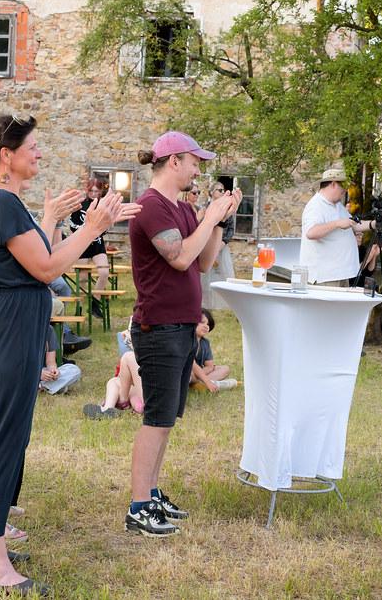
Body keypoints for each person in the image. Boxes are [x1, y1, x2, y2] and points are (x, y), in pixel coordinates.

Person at [0, 114, 137, 595]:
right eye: (32, 147)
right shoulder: (0, 202)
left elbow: (38, 255)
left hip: (13, 324)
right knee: (1, 438)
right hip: (11, 328)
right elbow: (45, 268)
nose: (39, 152)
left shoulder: (2, 199)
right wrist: (94, 227)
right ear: (7, 155)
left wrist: (55, 220)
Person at [126, 131, 240, 539]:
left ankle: (152, 493)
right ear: (173, 161)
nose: (198, 170)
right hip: (158, 327)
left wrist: (218, 222)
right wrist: (209, 217)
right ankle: (139, 506)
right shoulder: (151, 206)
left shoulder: (183, 209)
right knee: (156, 420)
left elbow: (204, 262)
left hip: (182, 327)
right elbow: (178, 257)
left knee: (167, 420)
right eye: (194, 162)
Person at [299, 167, 376, 287]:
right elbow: (311, 233)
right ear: (333, 184)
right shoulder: (316, 206)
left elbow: (353, 224)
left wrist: (373, 224)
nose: (345, 190)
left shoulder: (337, 206)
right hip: (326, 277)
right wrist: (337, 223)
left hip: (341, 274)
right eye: (343, 186)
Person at [67, 177, 111, 319]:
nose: (93, 194)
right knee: (82, 279)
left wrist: (99, 230)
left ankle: (95, 303)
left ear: (100, 192)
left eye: (96, 191)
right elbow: (72, 225)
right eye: (91, 191)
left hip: (97, 243)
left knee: (104, 272)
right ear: (87, 190)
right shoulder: (80, 205)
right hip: (82, 243)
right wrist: (85, 230)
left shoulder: (102, 206)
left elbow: (106, 225)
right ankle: (79, 307)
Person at [83, 326, 144, 420]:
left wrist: (132, 342)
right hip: (137, 393)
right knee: (113, 381)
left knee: (127, 358)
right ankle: (107, 408)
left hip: (146, 394)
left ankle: (119, 403)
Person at [200, 179, 236, 308]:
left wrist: (224, 242)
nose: (222, 192)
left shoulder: (227, 209)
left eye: (223, 190)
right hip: (206, 246)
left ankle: (223, 302)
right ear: (211, 192)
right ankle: (204, 302)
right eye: (219, 190)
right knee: (205, 274)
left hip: (222, 247)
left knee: (223, 274)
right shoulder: (204, 208)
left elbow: (231, 229)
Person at [188, 309, 237, 392]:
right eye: (202, 322)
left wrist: (201, 375)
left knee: (225, 369)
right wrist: (206, 379)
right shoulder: (186, 341)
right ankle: (206, 383)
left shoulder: (205, 343)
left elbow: (210, 366)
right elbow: (193, 365)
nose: (206, 326)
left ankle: (199, 384)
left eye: (208, 324)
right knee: (189, 373)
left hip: (198, 374)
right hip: (187, 372)